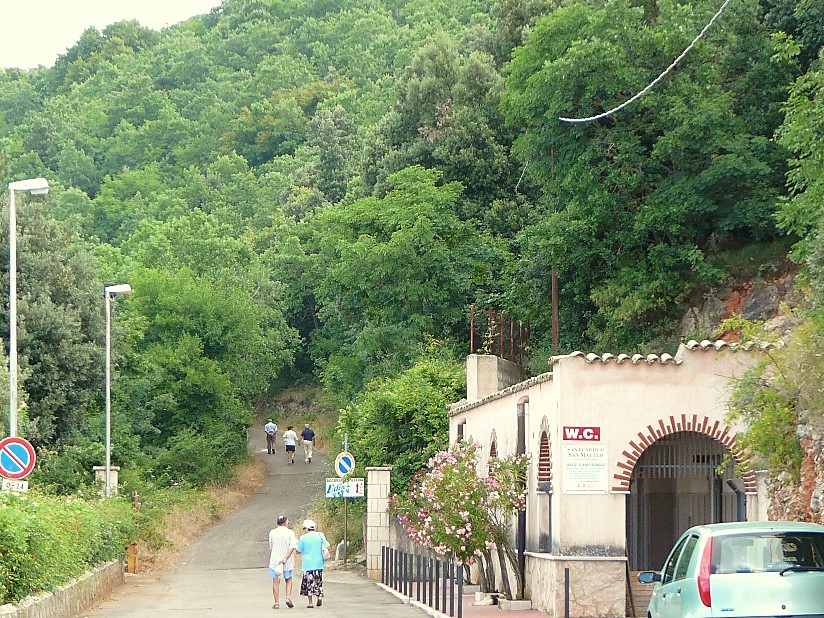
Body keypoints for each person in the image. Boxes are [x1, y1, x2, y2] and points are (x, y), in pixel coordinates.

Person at [296, 519, 330, 608]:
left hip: (307, 564)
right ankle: (319, 596)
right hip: (318, 562)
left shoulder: (303, 538)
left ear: (306, 528)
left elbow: (298, 551)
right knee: (318, 581)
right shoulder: (320, 535)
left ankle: (310, 603)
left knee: (309, 583)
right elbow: (328, 545)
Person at [268, 515, 297, 609]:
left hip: (275, 560)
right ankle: (288, 597)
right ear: (285, 523)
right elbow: (292, 546)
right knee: (288, 579)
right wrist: (285, 558)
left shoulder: (272, 532)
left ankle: (276, 603)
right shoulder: (290, 532)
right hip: (287, 561)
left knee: (276, 581)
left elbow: (271, 546)